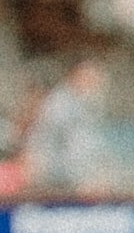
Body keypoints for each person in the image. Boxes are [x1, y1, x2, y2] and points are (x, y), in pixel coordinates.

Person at [24, 57, 112, 192]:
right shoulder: (60, 103)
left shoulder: (88, 104)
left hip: (79, 177)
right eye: (89, 77)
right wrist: (85, 180)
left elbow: (94, 145)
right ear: (75, 76)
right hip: (61, 179)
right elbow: (49, 142)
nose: (95, 83)